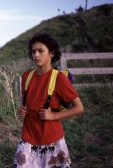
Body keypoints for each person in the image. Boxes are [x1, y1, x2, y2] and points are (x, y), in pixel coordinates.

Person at [13, 33, 84, 168]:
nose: (36, 55)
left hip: (52, 141)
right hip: (28, 138)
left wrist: (54, 116)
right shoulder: (27, 76)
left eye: (41, 51)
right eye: (33, 51)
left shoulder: (59, 78)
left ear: (52, 53)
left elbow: (79, 107)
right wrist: (22, 110)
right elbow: (25, 101)